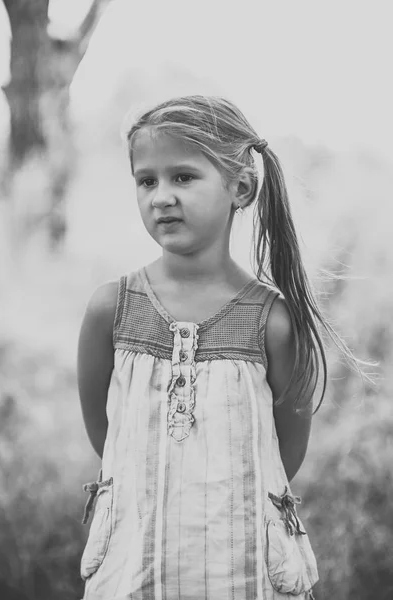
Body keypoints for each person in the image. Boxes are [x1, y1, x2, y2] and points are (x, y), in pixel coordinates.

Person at [77, 95, 361, 599]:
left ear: (241, 188)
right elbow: (111, 443)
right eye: (147, 180)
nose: (161, 196)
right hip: (133, 573)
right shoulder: (110, 311)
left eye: (183, 177)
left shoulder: (272, 321)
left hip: (243, 575)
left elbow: (283, 456)